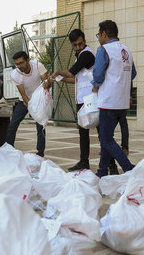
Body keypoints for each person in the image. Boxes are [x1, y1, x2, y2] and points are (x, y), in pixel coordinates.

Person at [49, 29, 122, 174]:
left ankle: (111, 165)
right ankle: (84, 161)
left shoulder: (87, 54)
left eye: (80, 43)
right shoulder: (80, 56)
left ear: (85, 41)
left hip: (92, 100)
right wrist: (58, 79)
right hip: (83, 100)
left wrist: (57, 72)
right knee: (83, 133)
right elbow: (74, 79)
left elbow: (70, 72)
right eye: (75, 45)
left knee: (103, 135)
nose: (78, 47)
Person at [91, 20, 137, 177]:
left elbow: (97, 74)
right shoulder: (127, 51)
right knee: (106, 137)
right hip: (122, 102)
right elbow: (133, 74)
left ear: (104, 33)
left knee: (105, 139)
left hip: (108, 101)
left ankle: (128, 167)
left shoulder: (104, 50)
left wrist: (95, 85)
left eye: (99, 35)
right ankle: (102, 171)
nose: (98, 38)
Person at [6, 51, 50, 156]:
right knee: (12, 125)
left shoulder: (38, 65)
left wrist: (47, 87)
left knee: (41, 126)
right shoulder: (15, 74)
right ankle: (8, 150)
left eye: (21, 63)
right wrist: (31, 107)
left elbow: (47, 83)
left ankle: (40, 153)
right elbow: (24, 95)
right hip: (24, 101)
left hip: (38, 100)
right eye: (17, 64)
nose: (19, 66)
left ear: (28, 60)